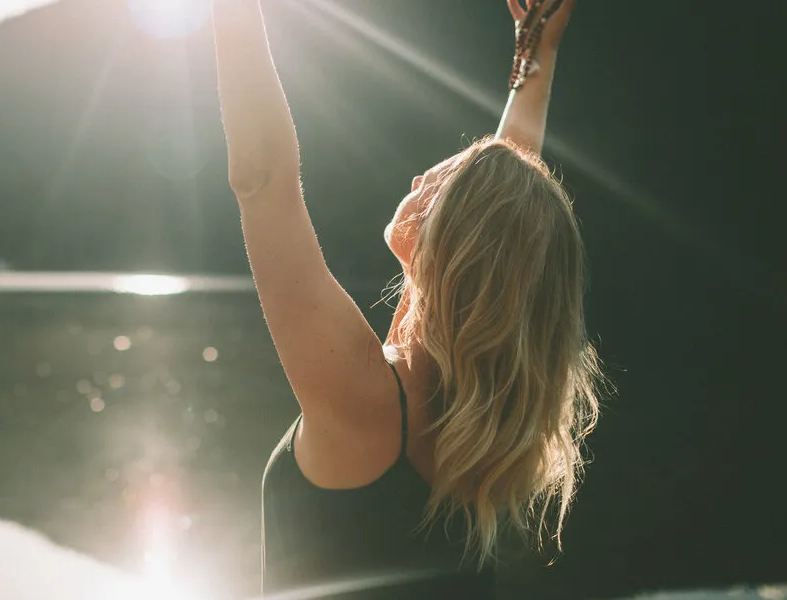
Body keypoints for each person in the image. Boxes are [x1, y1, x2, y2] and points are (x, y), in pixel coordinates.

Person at [211, 0, 606, 597]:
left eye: (449, 177)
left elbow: (262, 178)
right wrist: (536, 54)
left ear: (451, 242)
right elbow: (511, 236)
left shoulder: (366, 402)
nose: (426, 175)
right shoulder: (480, 416)